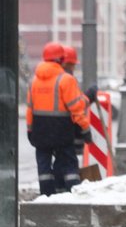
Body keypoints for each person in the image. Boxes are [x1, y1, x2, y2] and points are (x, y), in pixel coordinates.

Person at [26, 41, 91, 196]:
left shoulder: (34, 82)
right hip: (61, 132)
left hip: (40, 132)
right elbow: (76, 108)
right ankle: (72, 194)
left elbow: (30, 109)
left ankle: (47, 196)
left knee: (44, 168)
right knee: (69, 164)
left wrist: (30, 129)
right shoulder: (66, 80)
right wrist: (85, 129)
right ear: (61, 60)